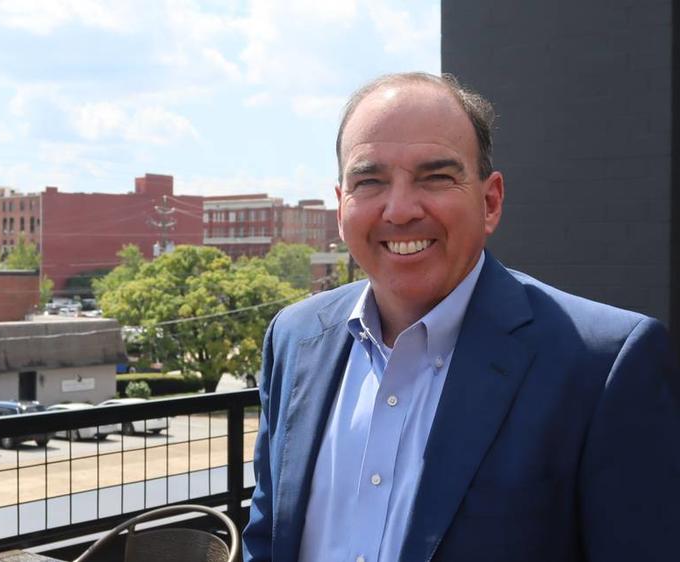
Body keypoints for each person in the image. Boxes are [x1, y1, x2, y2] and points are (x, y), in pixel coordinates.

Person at [242, 72, 680, 562]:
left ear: (490, 202)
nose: (401, 209)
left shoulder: (603, 365)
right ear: (342, 203)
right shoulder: (295, 338)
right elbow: (267, 536)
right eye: (369, 180)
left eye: (436, 177)